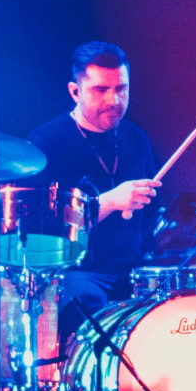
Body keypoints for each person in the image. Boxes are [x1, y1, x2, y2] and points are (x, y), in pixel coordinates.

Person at [27, 42, 167, 344]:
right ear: (75, 91)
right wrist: (108, 202)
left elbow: (152, 219)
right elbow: (44, 227)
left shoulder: (135, 138)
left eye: (121, 89)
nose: (113, 100)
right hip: (76, 273)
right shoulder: (47, 142)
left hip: (131, 273)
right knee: (85, 299)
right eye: (100, 90)